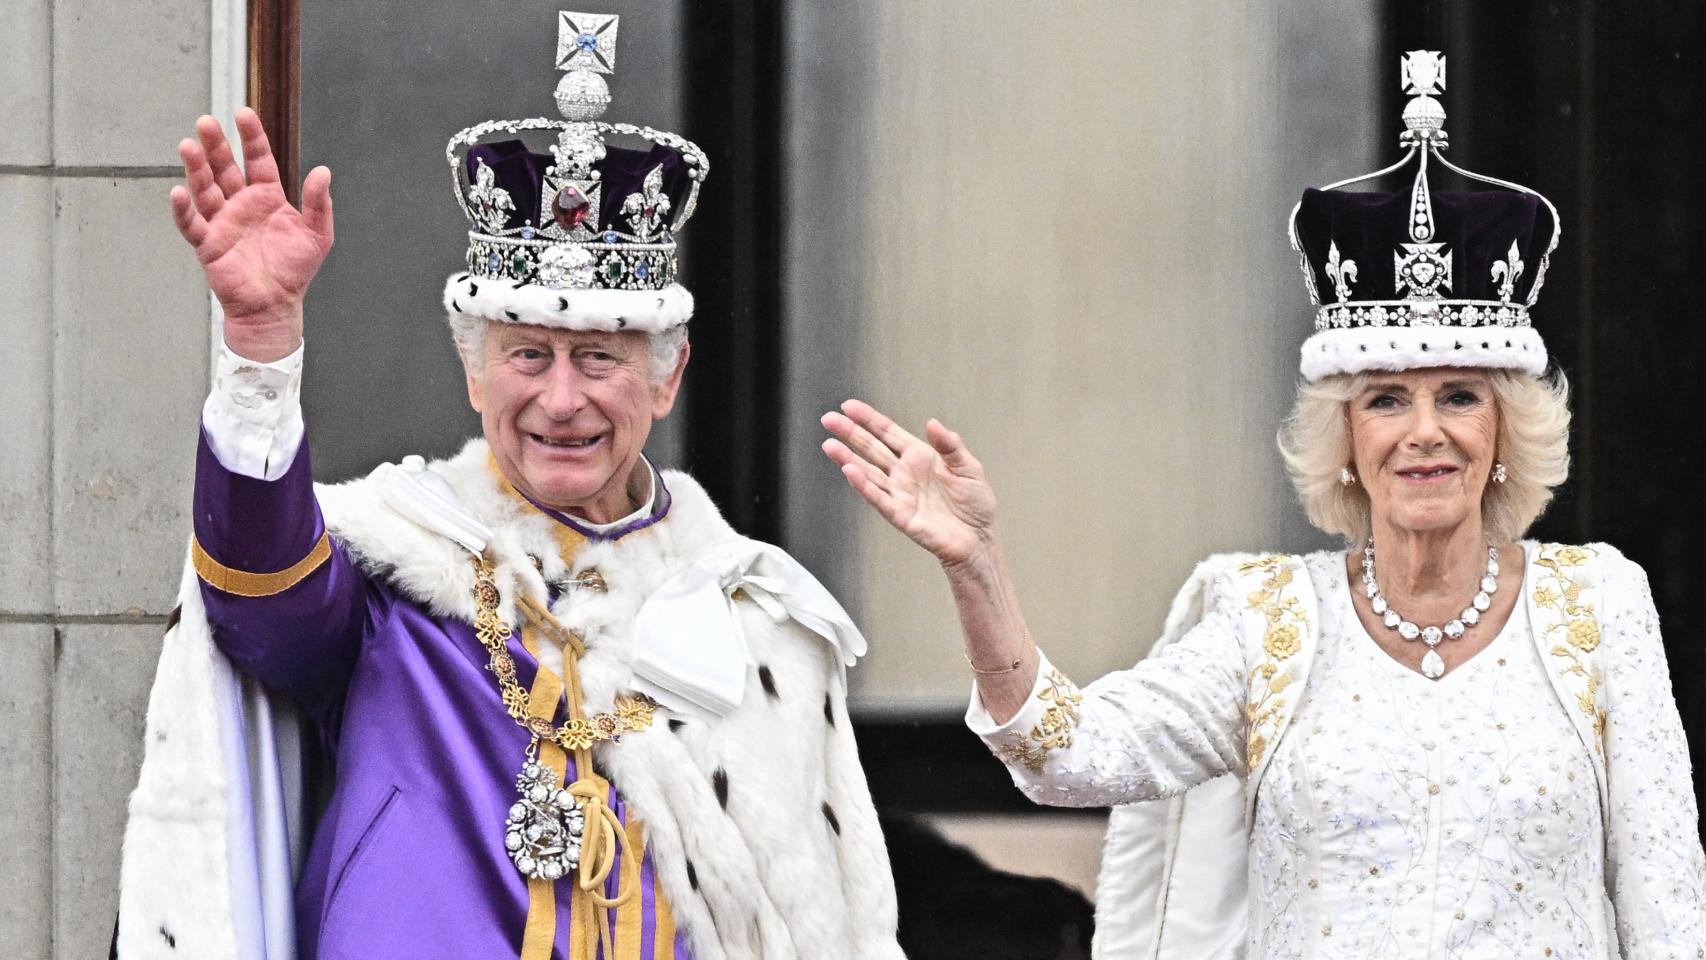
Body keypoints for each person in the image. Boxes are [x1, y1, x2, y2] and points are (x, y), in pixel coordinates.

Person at [821, 51, 1704, 959]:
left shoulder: (1598, 607)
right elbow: (1065, 756)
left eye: (1460, 396)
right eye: (1386, 400)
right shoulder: (1269, 621)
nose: (1424, 432)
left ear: (1506, 430)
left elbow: (1667, 902)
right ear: (1345, 439)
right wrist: (976, 565)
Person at [116, 13, 905, 960]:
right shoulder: (399, 571)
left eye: (599, 358)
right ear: (474, 373)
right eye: (528, 354)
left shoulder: (760, 622)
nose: (560, 400)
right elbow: (260, 603)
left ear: (667, 378)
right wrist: (261, 347)